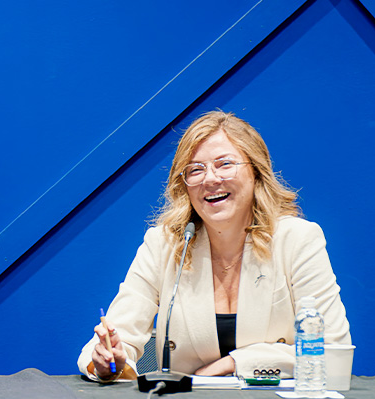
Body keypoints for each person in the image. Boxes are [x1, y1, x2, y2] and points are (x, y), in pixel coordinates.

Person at [78, 111, 350, 381]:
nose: (210, 179)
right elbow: (115, 338)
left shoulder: (297, 240)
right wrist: (108, 362)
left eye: (224, 164)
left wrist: (237, 362)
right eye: (196, 170)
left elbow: (332, 350)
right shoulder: (165, 244)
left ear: (256, 171)